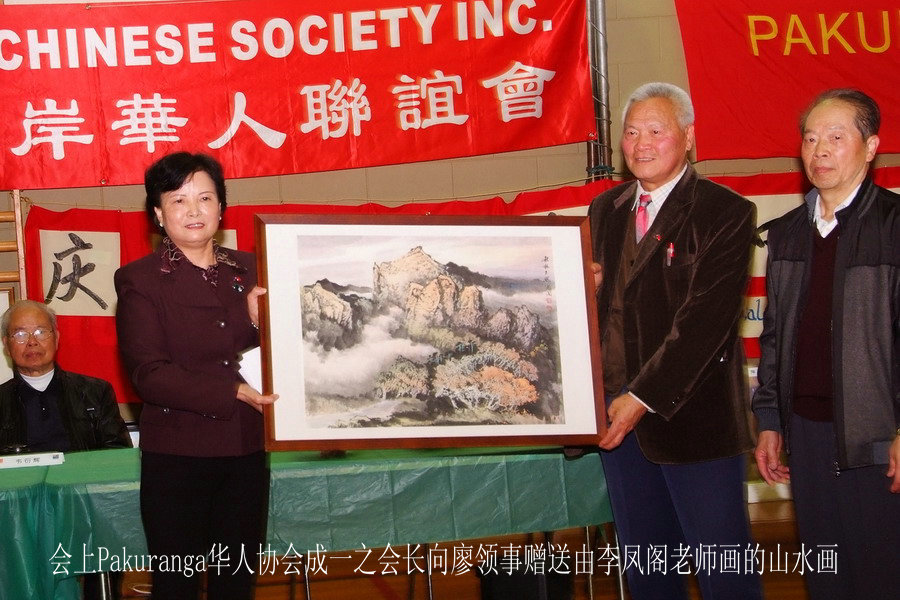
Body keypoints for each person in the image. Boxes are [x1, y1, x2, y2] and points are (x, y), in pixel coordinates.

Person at [588, 82, 761, 600]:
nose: (641, 144)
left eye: (656, 131)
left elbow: (704, 325)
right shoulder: (605, 209)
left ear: (687, 137)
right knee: (647, 572)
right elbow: (605, 309)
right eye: (631, 132)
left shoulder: (724, 212)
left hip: (694, 423)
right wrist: (582, 289)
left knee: (724, 572)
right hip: (617, 424)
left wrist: (640, 398)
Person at [752, 88, 900, 599]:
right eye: (811, 139)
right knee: (826, 576)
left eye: (836, 138)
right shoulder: (788, 232)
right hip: (807, 435)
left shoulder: (894, 226)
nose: (819, 151)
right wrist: (770, 420)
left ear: (871, 146)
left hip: (877, 437)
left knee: (882, 576)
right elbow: (774, 337)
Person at [114, 152, 277, 600]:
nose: (193, 210)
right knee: (177, 584)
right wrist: (232, 390)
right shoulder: (140, 280)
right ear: (157, 213)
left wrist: (259, 322)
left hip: (246, 448)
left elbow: (285, 345)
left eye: (205, 198)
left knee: (235, 582)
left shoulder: (254, 268)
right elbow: (149, 374)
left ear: (221, 207)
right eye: (178, 199)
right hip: (177, 456)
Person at [0, 299, 131, 600]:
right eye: (20, 334)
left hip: (84, 511)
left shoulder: (95, 392)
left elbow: (117, 454)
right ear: (6, 344)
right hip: (18, 519)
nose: (31, 342)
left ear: (56, 337)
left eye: (40, 332)